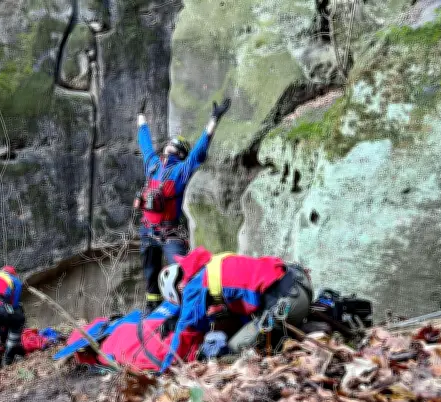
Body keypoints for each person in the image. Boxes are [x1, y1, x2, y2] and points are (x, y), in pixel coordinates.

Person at [134, 96, 232, 312]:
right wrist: (140, 117)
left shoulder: (180, 171)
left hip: (169, 234)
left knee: (182, 271)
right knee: (150, 274)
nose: (169, 146)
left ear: (178, 152)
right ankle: (152, 308)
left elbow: (198, 151)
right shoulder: (152, 166)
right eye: (169, 144)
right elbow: (145, 143)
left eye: (173, 145)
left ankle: (187, 309)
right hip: (147, 231)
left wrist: (214, 120)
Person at [156, 246, 314, 372]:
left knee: (231, 352)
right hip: (299, 285)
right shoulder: (214, 265)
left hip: (287, 302)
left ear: (179, 288)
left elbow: (185, 331)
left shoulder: (193, 286)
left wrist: (166, 369)